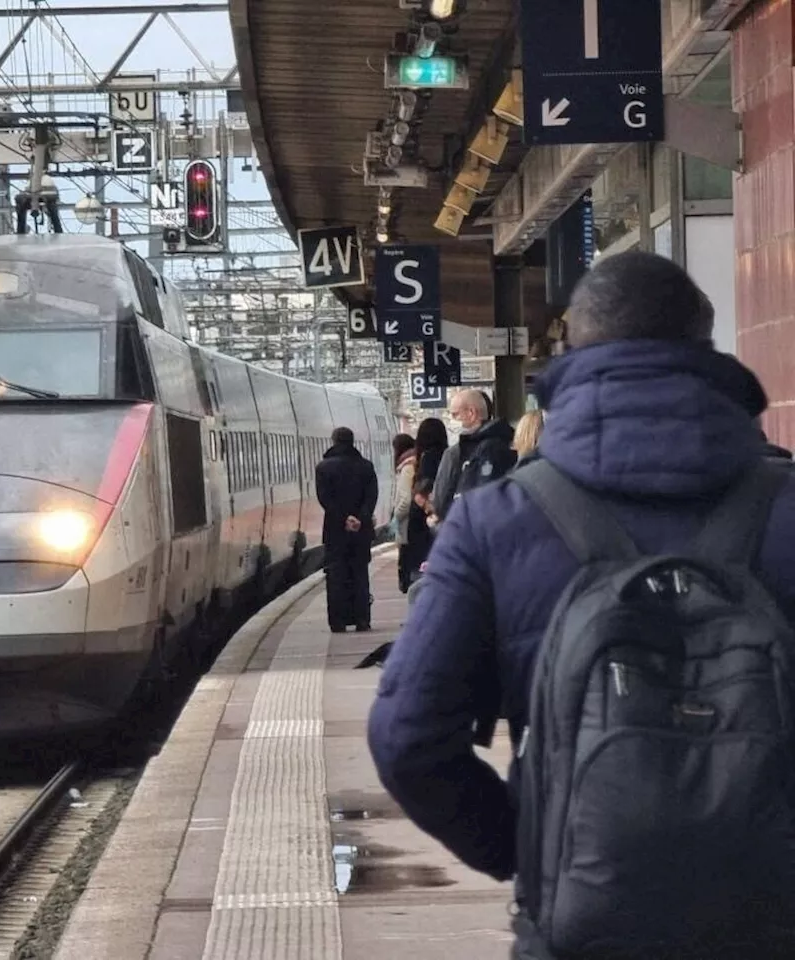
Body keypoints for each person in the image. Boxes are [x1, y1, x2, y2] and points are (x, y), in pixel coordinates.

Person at [367, 250, 795, 958]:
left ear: (569, 350)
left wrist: (536, 847)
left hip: (580, 930)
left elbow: (406, 737)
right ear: (705, 349)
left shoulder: (494, 522)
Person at [315, 426, 378, 632]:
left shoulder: (323, 468)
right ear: (352, 442)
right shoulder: (366, 467)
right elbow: (371, 497)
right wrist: (360, 518)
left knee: (336, 575)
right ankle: (362, 619)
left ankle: (338, 622)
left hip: (335, 530)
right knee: (360, 574)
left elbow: (325, 498)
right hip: (361, 530)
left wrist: (344, 518)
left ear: (333, 441)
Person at [431, 388, 516, 520]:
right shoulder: (508, 441)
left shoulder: (473, 451)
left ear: (471, 413)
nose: (452, 421)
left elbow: (442, 501)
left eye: (455, 415)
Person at [398, 417, 447, 588]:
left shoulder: (426, 458)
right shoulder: (447, 455)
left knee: (420, 573)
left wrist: (426, 506)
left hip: (422, 522)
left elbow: (422, 490)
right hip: (440, 518)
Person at [391, 433, 417, 594]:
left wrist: (396, 516)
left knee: (408, 573)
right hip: (413, 526)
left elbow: (406, 499)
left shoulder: (407, 467)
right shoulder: (416, 462)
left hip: (407, 527)